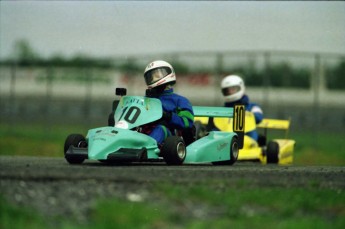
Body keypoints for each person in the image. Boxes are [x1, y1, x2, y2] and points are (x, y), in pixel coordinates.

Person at [142, 60, 194, 146]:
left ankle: (147, 148)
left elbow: (187, 123)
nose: (153, 79)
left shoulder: (179, 100)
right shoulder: (145, 100)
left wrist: (169, 116)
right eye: (150, 77)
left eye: (157, 75)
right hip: (145, 132)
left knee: (161, 129)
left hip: (170, 138)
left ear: (168, 73)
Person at [221, 74, 263, 141]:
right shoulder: (222, 111)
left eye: (233, 89)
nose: (230, 92)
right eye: (227, 90)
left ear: (241, 88)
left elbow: (259, 117)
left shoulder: (252, 107)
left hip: (248, 141)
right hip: (226, 142)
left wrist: (245, 114)